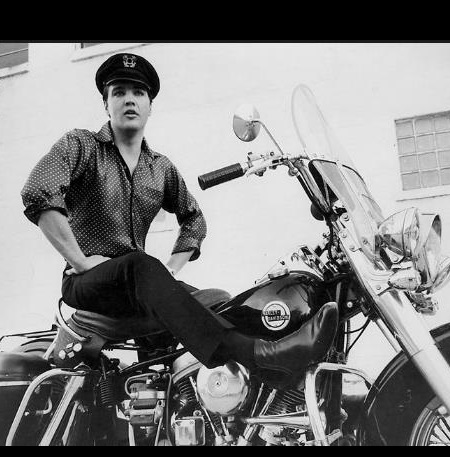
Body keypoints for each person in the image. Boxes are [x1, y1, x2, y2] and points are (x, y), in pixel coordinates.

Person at [20, 52, 338, 384]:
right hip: (88, 284)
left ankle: (228, 398)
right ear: (106, 103)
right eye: (120, 92)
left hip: (140, 285)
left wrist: (172, 268)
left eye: (139, 92)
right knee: (139, 264)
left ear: (149, 105)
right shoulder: (81, 145)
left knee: (218, 302)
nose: (130, 99)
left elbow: (193, 218)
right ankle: (261, 356)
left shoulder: (160, 168)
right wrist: (82, 261)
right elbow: (38, 190)